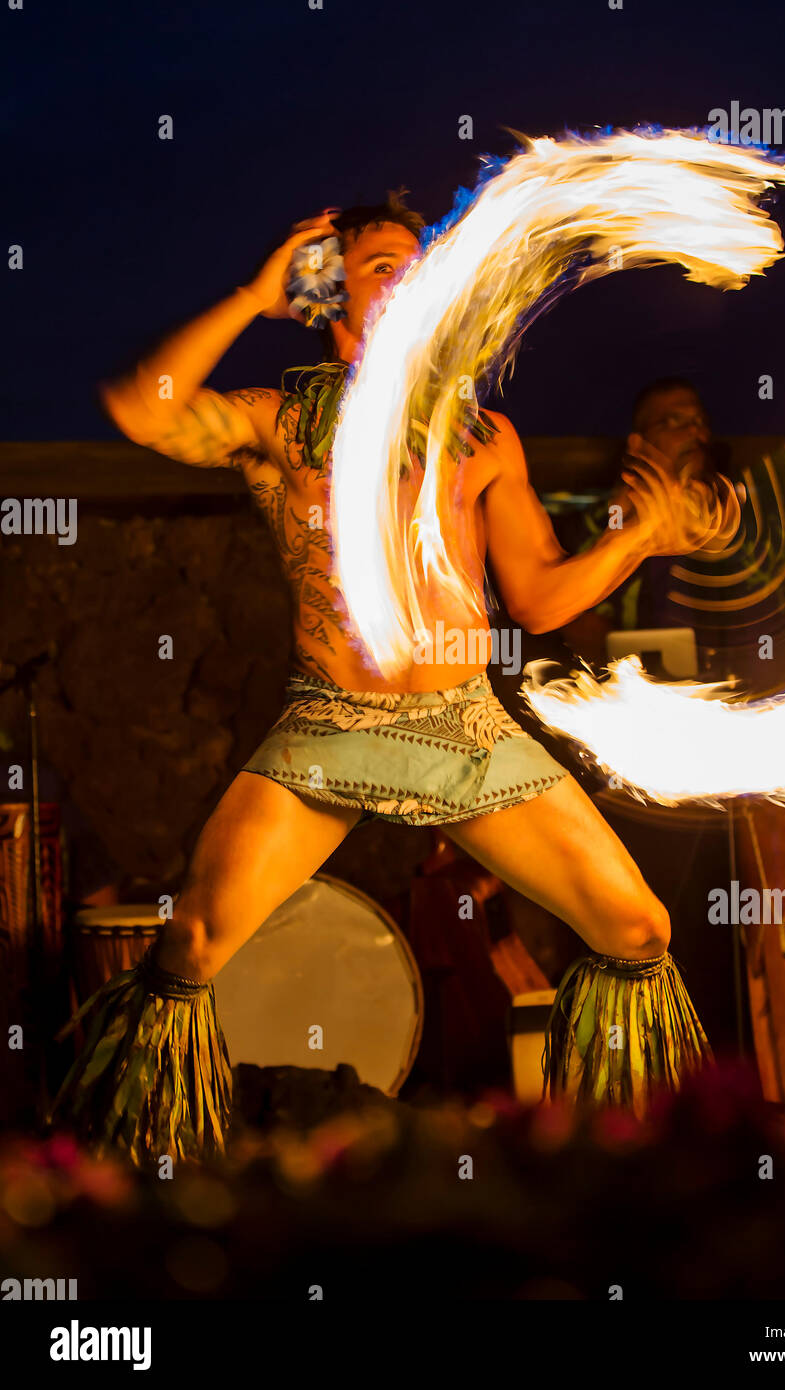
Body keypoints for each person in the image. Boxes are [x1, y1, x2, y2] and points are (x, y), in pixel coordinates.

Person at [49, 194, 742, 1163]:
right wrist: (255, 295)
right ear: (330, 295)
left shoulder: (481, 437)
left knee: (637, 928)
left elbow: (539, 597)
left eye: (418, 264)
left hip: (466, 733)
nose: (411, 279)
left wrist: (643, 536)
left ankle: (620, 1164)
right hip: (330, 731)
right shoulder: (284, 421)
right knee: (194, 945)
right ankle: (135, 1162)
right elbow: (140, 410)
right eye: (381, 266)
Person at [559, 378, 734, 669]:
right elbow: (576, 624)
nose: (696, 431)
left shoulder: (738, 526)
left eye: (700, 421)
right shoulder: (599, 527)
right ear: (638, 444)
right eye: (673, 422)